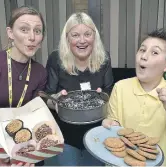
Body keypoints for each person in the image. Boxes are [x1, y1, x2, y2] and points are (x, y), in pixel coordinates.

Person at [0, 6, 47, 166]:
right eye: (24, 29)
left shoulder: (40, 72)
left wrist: (29, 154)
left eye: (37, 31)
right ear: (10, 33)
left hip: (22, 141)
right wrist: (0, 157)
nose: (32, 37)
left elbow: (32, 117)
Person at [102, 29, 166, 166]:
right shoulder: (120, 87)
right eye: (142, 50)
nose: (143, 56)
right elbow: (114, 126)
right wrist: (109, 124)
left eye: (154, 52)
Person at [44, 12, 114, 166]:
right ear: (67, 38)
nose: (82, 41)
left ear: (94, 36)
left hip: (97, 135)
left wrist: (103, 97)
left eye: (87, 34)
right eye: (75, 35)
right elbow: (47, 96)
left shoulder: (104, 58)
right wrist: (55, 101)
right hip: (66, 136)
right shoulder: (56, 59)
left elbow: (109, 91)